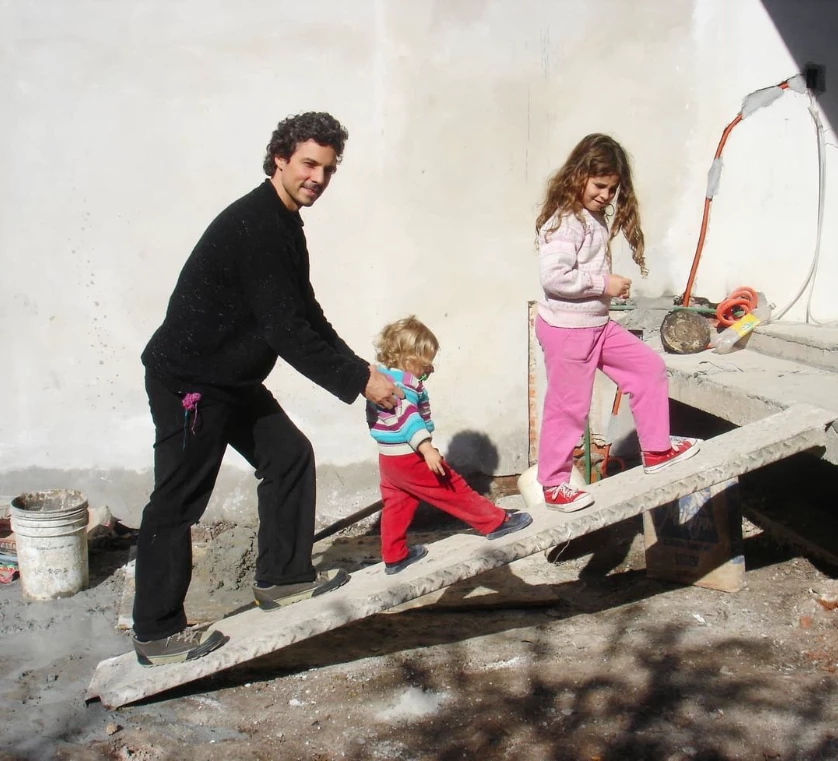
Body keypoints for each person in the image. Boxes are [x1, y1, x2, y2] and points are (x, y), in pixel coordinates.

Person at [133, 112, 403, 667]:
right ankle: (156, 633)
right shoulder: (256, 225)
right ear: (280, 158)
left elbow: (305, 312)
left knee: (288, 455)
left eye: (328, 169)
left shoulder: (284, 222)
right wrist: (359, 382)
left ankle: (282, 578)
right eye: (309, 164)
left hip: (229, 377)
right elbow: (287, 332)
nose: (318, 179)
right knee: (178, 500)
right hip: (191, 382)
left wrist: (360, 368)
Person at [535, 133, 701, 512]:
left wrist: (605, 290)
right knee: (568, 407)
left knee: (648, 368)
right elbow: (553, 278)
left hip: (594, 323)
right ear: (577, 175)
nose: (605, 195)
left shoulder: (589, 218)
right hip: (568, 330)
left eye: (612, 189)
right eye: (599, 185)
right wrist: (603, 283)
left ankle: (657, 450)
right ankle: (554, 483)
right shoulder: (566, 221)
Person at [366, 316, 532, 574]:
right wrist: (426, 448)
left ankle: (394, 556)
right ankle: (495, 523)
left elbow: (379, 420)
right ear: (409, 359)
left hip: (388, 459)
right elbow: (409, 418)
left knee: (397, 505)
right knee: (453, 488)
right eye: (427, 361)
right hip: (411, 456)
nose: (430, 367)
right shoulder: (402, 387)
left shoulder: (379, 381)